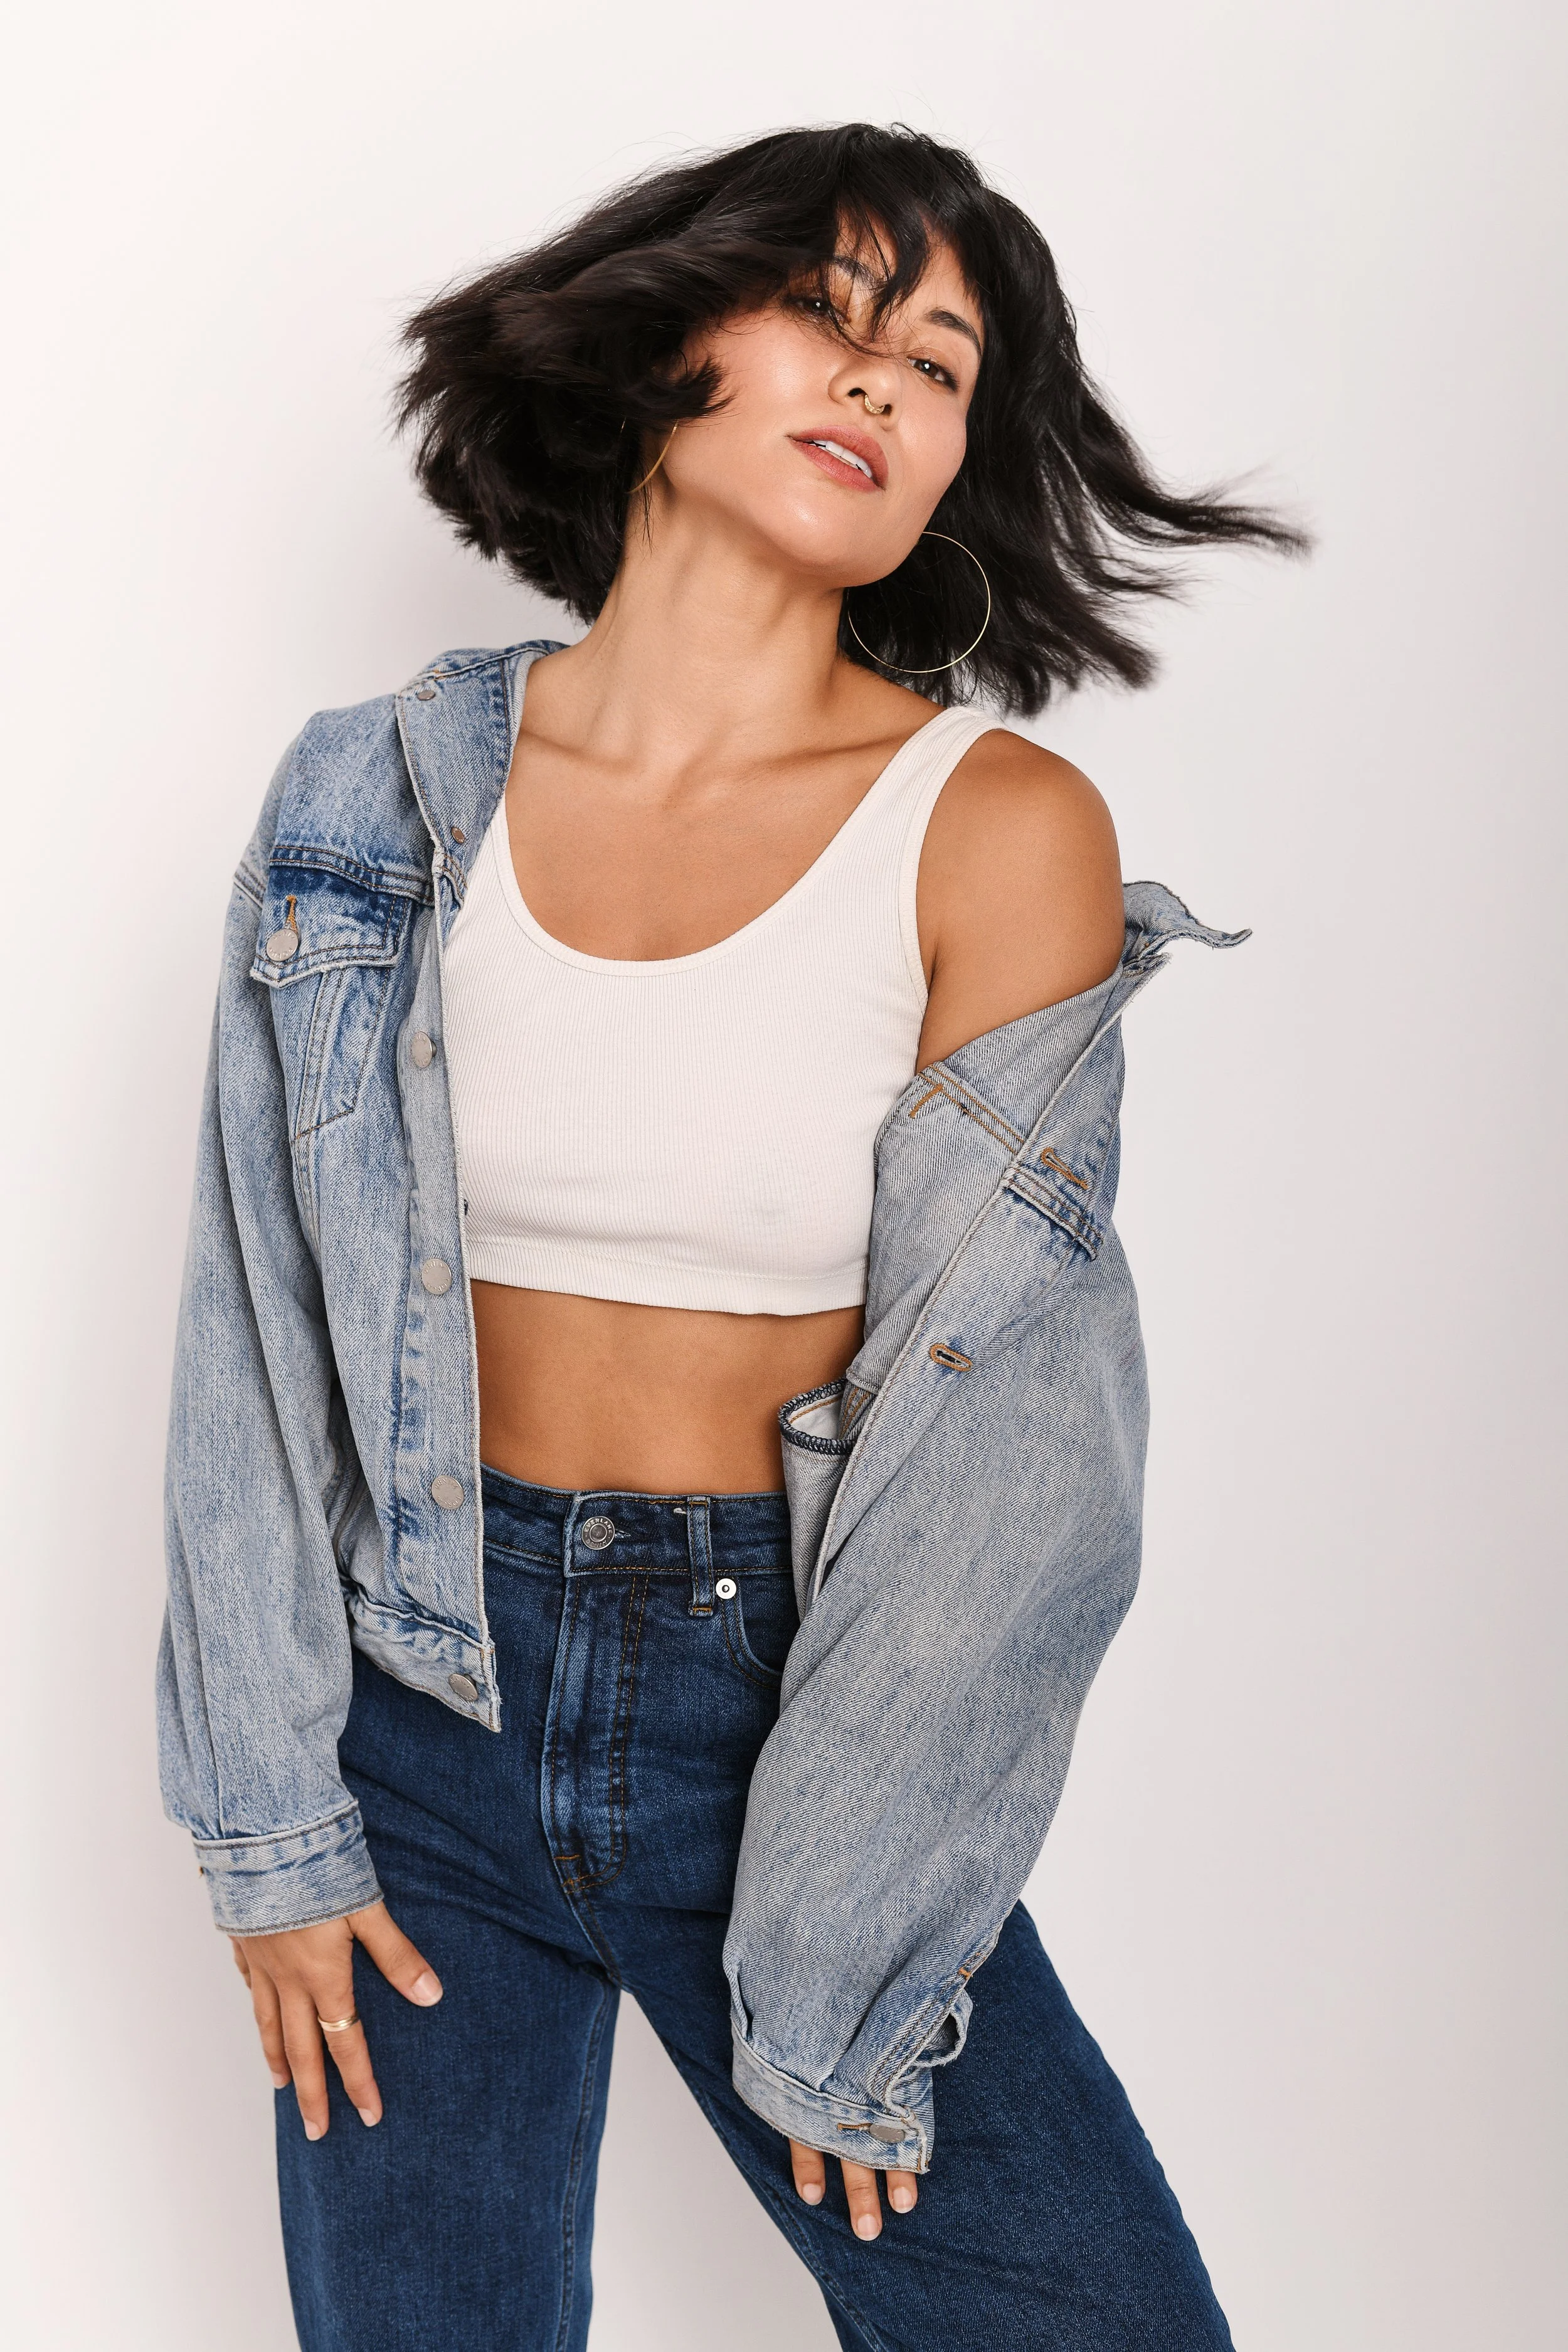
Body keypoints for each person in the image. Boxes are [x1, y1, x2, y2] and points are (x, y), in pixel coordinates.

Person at [158, 122, 1300, 2351]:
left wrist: (858, 1935)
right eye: (835, 314)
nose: (883, 385)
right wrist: (268, 1824)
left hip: (774, 1707)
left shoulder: (994, 826)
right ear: (674, 337)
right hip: (416, 1714)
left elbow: (1009, 1444)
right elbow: (255, 1327)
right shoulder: (365, 793)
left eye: (942, 364)